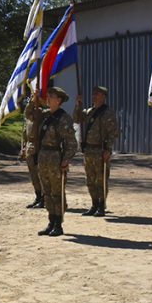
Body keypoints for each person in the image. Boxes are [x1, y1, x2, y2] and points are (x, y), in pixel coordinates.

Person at [35, 86, 77, 236]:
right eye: (48, 96)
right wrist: (34, 99)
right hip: (43, 158)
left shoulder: (63, 118)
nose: (48, 98)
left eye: (51, 96)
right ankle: (51, 221)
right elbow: (29, 114)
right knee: (47, 192)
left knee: (57, 192)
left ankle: (58, 224)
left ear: (59, 100)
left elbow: (72, 143)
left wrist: (65, 160)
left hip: (55, 159)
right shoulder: (46, 115)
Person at [73, 85, 120, 216]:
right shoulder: (89, 111)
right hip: (89, 150)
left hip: (101, 150)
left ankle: (101, 205)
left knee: (101, 179)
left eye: (97, 94)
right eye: (93, 94)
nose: (94, 96)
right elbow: (77, 118)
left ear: (103, 97)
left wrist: (108, 149)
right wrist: (78, 105)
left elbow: (113, 132)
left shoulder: (108, 112)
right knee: (90, 179)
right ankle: (94, 204)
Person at [20, 84, 44, 209]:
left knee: (41, 174)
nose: (32, 99)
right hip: (30, 148)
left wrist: (37, 99)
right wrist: (23, 148)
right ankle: (38, 196)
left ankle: (44, 198)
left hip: (39, 147)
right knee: (33, 175)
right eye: (31, 97)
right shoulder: (28, 116)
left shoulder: (41, 113)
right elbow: (25, 134)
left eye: (34, 97)